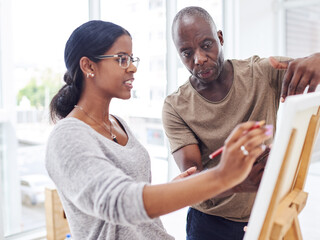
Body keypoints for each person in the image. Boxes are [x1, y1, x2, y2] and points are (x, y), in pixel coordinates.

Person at [45, 20, 271, 240]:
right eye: (122, 59)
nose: (132, 67)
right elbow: (122, 203)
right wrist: (222, 176)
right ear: (88, 66)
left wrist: (174, 188)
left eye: (132, 59)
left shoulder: (118, 124)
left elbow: (137, 207)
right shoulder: (67, 136)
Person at [162, 6, 320, 240]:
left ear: (220, 38)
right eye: (186, 53)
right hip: (209, 224)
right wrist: (236, 179)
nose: (199, 59)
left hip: (265, 213)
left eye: (206, 45)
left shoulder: (260, 73)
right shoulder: (175, 106)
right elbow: (193, 179)